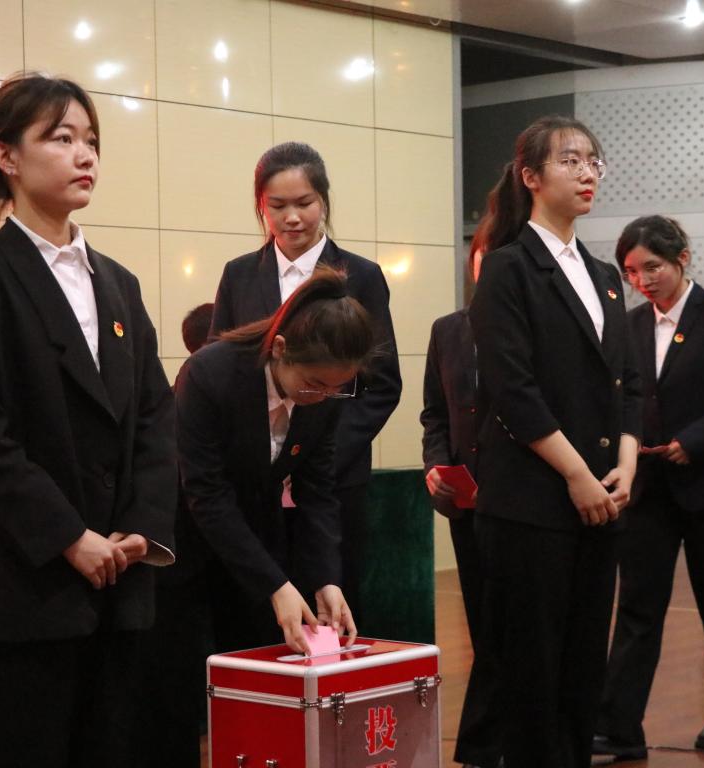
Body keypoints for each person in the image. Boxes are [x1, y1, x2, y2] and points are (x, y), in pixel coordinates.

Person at [0, 73, 177, 767]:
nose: (84, 155)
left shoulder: (118, 283)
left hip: (118, 583)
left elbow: (155, 417)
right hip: (23, 592)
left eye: (90, 140)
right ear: (6, 155)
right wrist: (69, 537)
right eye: (61, 138)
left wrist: (141, 527)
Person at [462, 115, 642, 768]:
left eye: (594, 160)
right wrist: (576, 474)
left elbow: (630, 384)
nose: (588, 172)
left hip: (602, 500)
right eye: (570, 160)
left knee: (583, 669)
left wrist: (624, 467)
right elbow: (513, 390)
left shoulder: (605, 274)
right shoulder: (507, 268)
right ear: (531, 176)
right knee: (531, 674)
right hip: (533, 503)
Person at [594, 216, 704, 759]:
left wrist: (695, 440)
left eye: (652, 267)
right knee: (637, 609)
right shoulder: (628, 325)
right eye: (631, 272)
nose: (642, 280)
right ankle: (619, 727)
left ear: (682, 259)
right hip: (649, 489)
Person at [208, 142, 401, 613]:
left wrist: (317, 453)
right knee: (256, 607)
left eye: (304, 203)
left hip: (332, 479)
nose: (292, 217)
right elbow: (221, 369)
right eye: (277, 206)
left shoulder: (362, 275)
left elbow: (381, 385)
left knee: (332, 601)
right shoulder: (239, 274)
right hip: (255, 478)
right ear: (261, 206)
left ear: (324, 201)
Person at [178, 267, 370, 655]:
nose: (324, 396)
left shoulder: (325, 395)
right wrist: (274, 585)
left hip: (260, 540)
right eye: (314, 384)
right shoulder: (209, 374)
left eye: (337, 388)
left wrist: (326, 579)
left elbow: (318, 490)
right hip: (190, 543)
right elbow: (207, 494)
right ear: (280, 348)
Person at [421, 231, 492, 765]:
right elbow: (434, 414)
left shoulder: (537, 329)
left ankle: (494, 739)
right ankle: (486, 742)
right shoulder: (448, 329)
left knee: (517, 625)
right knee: (482, 624)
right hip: (465, 500)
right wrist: (434, 466)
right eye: (483, 260)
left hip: (522, 500)